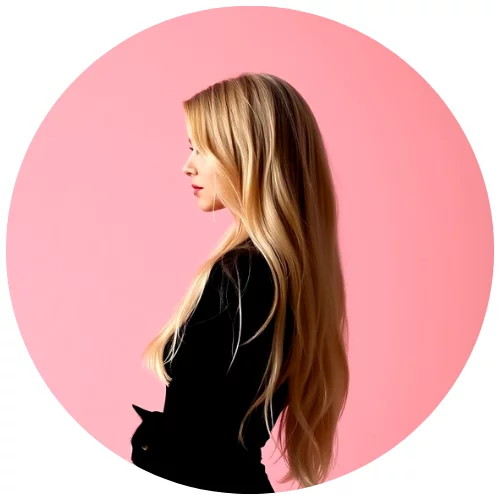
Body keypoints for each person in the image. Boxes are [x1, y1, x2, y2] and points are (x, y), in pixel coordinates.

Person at [131, 72, 350, 493]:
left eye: (203, 149)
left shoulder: (244, 276)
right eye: (190, 148)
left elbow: (199, 450)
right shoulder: (280, 275)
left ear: (249, 157)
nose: (188, 165)